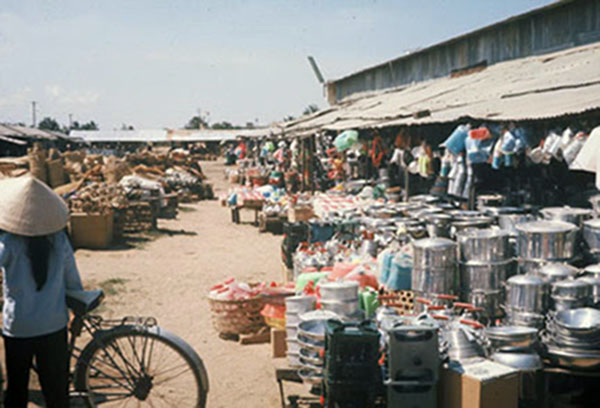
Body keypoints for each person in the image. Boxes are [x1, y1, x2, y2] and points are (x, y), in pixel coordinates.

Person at [0, 176, 84, 408]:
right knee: (56, 392)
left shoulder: (9, 243)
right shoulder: (59, 241)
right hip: (53, 326)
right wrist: (77, 312)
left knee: (16, 390)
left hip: (19, 328)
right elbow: (73, 282)